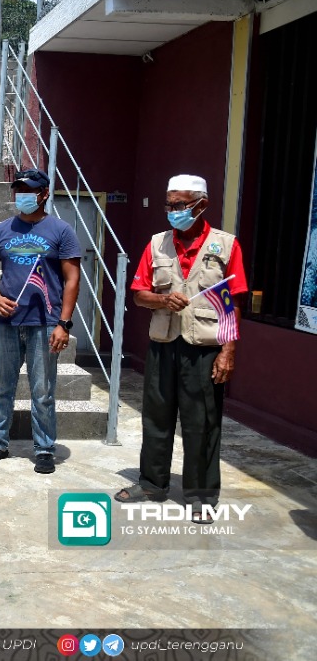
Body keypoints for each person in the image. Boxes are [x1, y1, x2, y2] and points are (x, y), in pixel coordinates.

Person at [115, 174, 247, 523]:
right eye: (168, 204)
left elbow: (233, 303)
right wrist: (161, 298)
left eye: (178, 205)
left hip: (204, 348)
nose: (171, 211)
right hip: (163, 343)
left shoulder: (227, 245)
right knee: (156, 418)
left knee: (201, 423)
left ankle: (201, 496)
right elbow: (139, 293)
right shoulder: (156, 244)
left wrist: (228, 352)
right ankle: (152, 484)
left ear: (201, 205)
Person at [0, 168, 80, 474]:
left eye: (29, 190)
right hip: (6, 323)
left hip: (46, 322)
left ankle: (45, 447)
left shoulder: (61, 231)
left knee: (43, 390)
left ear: (44, 193)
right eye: (18, 190)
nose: (21, 195)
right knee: (1, 386)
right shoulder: (1, 230)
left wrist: (64, 323)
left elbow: (72, 279)